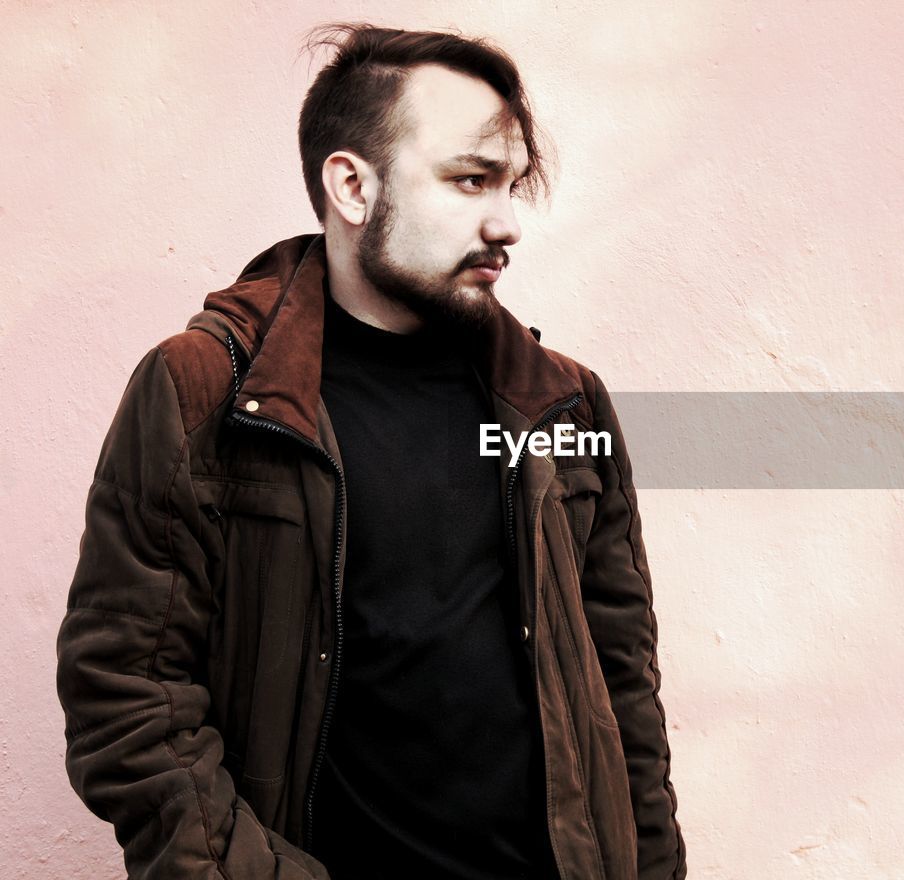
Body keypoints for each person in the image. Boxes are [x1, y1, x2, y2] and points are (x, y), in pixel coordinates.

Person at [55, 24, 686, 880]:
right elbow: (128, 699)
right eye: (470, 181)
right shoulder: (206, 390)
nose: (506, 222)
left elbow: (623, 700)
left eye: (510, 186)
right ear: (352, 186)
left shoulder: (563, 401)